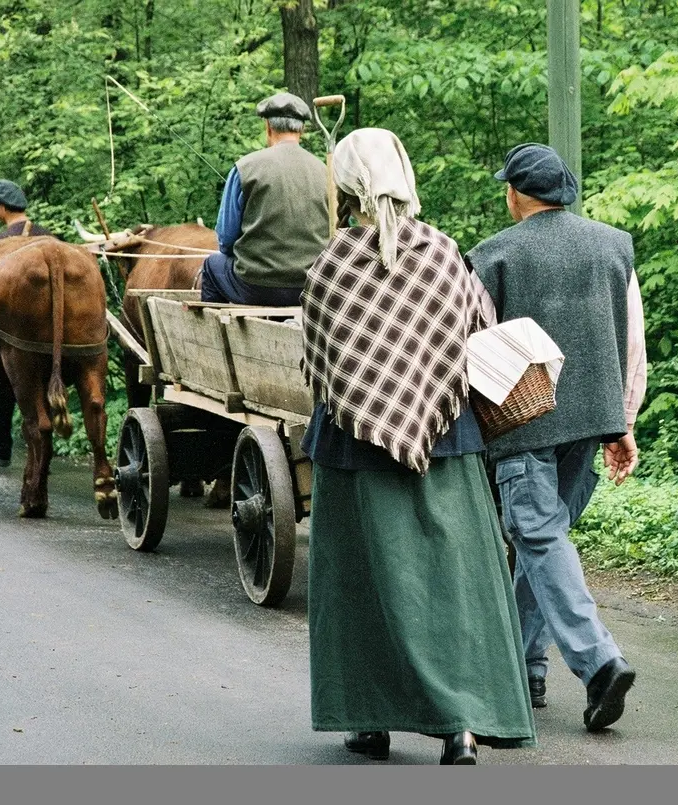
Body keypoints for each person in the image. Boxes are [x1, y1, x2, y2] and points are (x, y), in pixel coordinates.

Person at [301, 128, 536, 765]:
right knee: (451, 581)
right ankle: (459, 726)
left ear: (344, 185)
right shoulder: (443, 253)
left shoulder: (331, 264)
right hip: (445, 440)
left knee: (361, 582)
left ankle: (369, 720)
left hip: (354, 447)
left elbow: (320, 358)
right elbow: (479, 330)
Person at [466, 143, 646, 732]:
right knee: (546, 543)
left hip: (523, 422)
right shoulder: (614, 245)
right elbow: (631, 342)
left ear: (517, 194)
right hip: (592, 421)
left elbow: (479, 348)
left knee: (538, 538)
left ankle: (599, 663)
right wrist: (622, 421)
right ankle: (524, 669)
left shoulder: (493, 255)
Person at [201, 92, 328, 306]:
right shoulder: (326, 171)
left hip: (255, 287)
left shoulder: (245, 167)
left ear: (268, 127)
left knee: (212, 266)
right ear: (302, 129)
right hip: (313, 287)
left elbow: (225, 240)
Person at [0, 179, 55, 467]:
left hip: (16, 333)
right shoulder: (49, 238)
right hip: (50, 330)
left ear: (0, 207)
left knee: (3, 383)